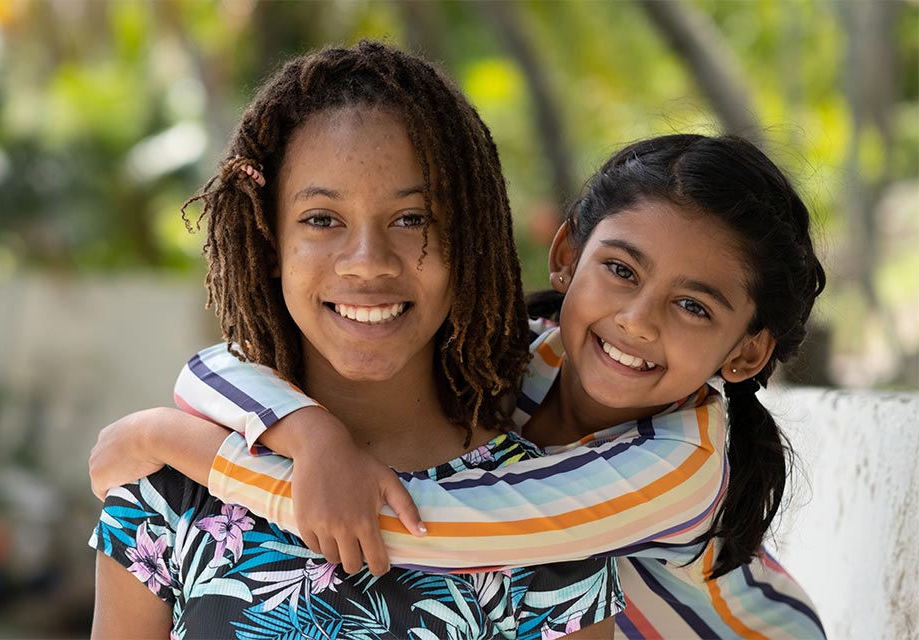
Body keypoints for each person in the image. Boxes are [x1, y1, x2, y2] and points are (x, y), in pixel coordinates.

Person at [93, 133, 827, 638]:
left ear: (744, 353)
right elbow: (225, 363)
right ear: (566, 255)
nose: (636, 320)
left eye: (692, 306)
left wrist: (170, 441)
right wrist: (308, 434)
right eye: (621, 270)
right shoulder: (517, 355)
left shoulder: (680, 464)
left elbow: (420, 528)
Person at [88, 41, 624, 640]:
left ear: (465, 242)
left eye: (411, 219)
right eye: (322, 219)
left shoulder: (550, 517)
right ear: (270, 245)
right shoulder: (171, 493)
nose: (367, 263)